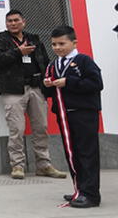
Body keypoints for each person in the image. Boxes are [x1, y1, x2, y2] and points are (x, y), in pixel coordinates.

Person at [0, 10, 67, 180]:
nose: (13, 23)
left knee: (41, 128)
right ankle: (17, 166)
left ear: (24, 22)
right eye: (9, 21)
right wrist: (18, 52)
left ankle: (44, 165)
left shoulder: (34, 39)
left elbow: (45, 62)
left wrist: (48, 82)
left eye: (16, 20)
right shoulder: (0, 40)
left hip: (36, 88)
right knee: (17, 129)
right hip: (13, 90)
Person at [44, 26, 103, 208]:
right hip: (64, 115)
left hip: (84, 114)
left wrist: (70, 82)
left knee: (87, 153)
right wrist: (47, 84)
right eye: (54, 44)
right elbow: (50, 91)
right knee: (73, 153)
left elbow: (96, 83)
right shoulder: (53, 65)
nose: (57, 47)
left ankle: (91, 194)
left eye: (62, 43)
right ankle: (80, 189)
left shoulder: (84, 61)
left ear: (74, 42)